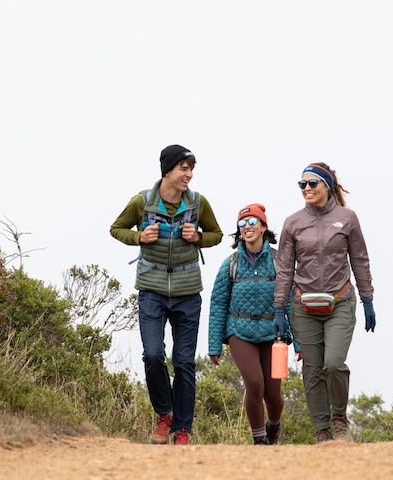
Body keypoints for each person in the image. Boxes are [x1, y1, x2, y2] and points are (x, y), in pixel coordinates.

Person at [109, 144, 223, 445]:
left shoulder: (198, 203)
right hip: (151, 290)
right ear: (168, 170)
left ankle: (183, 429)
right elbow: (116, 228)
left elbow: (217, 235)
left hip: (188, 292)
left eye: (191, 168)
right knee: (153, 354)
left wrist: (198, 237)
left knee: (184, 361)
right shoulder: (142, 201)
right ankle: (164, 415)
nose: (189, 174)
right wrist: (138, 237)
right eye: (184, 168)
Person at [272, 162, 376, 444]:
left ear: (326, 185)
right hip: (302, 306)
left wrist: (367, 299)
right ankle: (322, 432)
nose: (306, 189)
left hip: (340, 301)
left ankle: (340, 419)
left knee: (333, 363)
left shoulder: (348, 218)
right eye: (302, 184)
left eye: (312, 183)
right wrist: (279, 308)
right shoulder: (293, 223)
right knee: (312, 369)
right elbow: (284, 269)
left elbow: (360, 260)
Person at [208, 204, 300, 445]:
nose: (246, 227)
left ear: (263, 226)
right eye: (241, 224)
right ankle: (259, 440)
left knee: (273, 393)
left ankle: (273, 426)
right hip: (240, 332)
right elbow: (218, 304)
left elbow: (291, 301)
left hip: (275, 334)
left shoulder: (280, 260)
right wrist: (214, 345)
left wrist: (300, 343)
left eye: (251, 222)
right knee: (254, 384)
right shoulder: (231, 263)